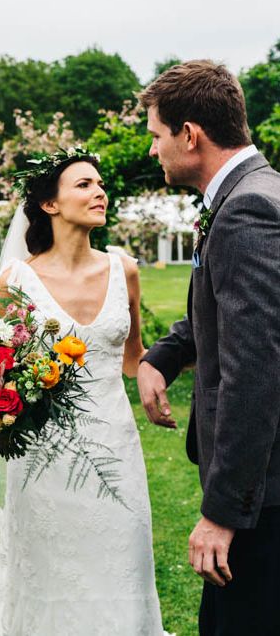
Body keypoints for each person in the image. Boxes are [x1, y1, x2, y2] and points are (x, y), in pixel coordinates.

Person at [0, 148, 165, 635]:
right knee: (49, 575)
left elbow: (132, 356)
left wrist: (159, 373)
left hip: (115, 447)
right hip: (42, 459)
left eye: (100, 184)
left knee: (118, 563)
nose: (99, 191)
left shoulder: (124, 269)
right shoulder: (15, 282)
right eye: (84, 184)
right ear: (49, 204)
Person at [137, 61, 280, 634]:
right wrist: (164, 355)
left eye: (155, 135)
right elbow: (217, 310)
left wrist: (223, 514)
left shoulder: (248, 210)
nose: (153, 152)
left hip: (264, 498)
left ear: (189, 135)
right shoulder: (250, 193)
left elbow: (257, 368)